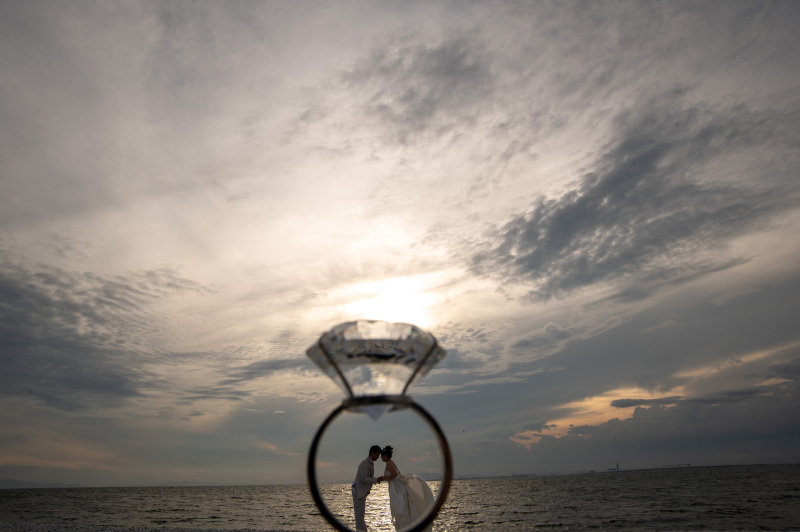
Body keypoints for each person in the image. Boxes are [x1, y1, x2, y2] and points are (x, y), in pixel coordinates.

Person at [380, 445, 436, 532]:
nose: (381, 458)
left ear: (385, 456)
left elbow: (394, 474)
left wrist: (386, 478)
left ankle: (405, 526)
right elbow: (398, 473)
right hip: (398, 486)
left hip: (397, 488)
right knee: (403, 508)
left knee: (401, 508)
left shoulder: (388, 463)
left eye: (382, 456)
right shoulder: (391, 462)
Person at [352, 445, 383, 531]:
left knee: (360, 516)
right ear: (372, 453)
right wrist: (376, 479)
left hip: (361, 492)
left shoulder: (369, 463)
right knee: (359, 517)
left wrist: (376, 480)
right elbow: (363, 478)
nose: (377, 457)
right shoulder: (364, 463)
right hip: (358, 492)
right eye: (377, 455)